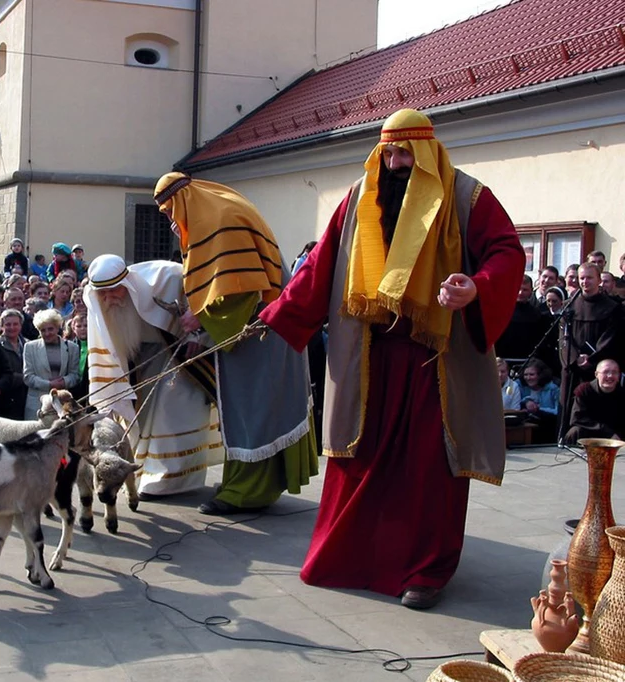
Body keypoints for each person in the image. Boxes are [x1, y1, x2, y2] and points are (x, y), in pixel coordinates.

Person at [257, 109, 524, 609]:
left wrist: (476, 287)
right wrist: (278, 314)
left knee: (427, 470)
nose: (397, 162)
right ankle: (350, 558)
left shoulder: (468, 197)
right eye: (389, 152)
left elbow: (507, 252)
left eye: (406, 153)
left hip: (434, 364)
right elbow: (322, 263)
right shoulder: (360, 197)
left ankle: (425, 572)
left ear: (426, 152)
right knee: (358, 458)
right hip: (369, 356)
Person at [154, 173, 319, 515]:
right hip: (257, 323)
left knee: (253, 404)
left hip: (261, 327)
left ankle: (247, 492)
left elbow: (244, 285)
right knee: (249, 403)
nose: (171, 220)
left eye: (170, 211)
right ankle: (243, 482)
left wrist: (200, 320)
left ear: (182, 200)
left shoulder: (218, 220)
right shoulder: (212, 212)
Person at [85, 256, 224, 496]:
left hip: (180, 358)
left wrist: (198, 334)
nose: (108, 299)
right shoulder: (100, 303)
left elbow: (203, 302)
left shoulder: (167, 278)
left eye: (113, 291)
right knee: (145, 418)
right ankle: (149, 473)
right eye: (102, 294)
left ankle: (169, 479)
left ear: (127, 284)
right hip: (142, 362)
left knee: (172, 412)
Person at [558, 261, 625, 434]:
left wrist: (593, 359)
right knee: (568, 408)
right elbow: (564, 338)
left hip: (599, 367)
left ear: (598, 280)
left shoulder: (612, 308)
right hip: (574, 368)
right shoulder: (568, 306)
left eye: (589, 278)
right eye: (582, 278)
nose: (585, 282)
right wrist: (574, 358)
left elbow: (611, 337)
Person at [22, 310, 79, 419]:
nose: (47, 333)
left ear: (58, 328)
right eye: (43, 330)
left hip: (63, 405)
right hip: (37, 405)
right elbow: (27, 377)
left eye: (50, 329)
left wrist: (64, 382)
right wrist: (49, 384)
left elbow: (75, 375)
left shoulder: (72, 348)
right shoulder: (29, 347)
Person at [565, 358, 625, 442]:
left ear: (619, 376)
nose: (610, 375)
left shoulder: (622, 394)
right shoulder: (584, 390)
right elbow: (576, 418)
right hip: (590, 431)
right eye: (606, 372)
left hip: (614, 435)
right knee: (575, 431)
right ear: (596, 374)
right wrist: (607, 432)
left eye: (614, 372)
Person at [519, 357, 560, 442]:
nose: (528, 378)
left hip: (547, 427)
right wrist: (526, 401)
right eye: (525, 375)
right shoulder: (521, 387)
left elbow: (557, 411)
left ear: (541, 375)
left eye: (531, 374)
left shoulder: (553, 389)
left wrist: (538, 409)